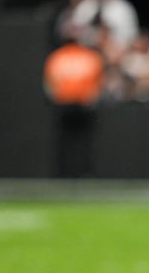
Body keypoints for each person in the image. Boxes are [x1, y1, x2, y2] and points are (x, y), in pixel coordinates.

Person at [43, 31, 104, 178]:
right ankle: (85, 172)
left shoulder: (57, 56)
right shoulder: (89, 56)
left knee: (65, 142)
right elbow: (98, 84)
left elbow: (49, 85)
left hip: (65, 104)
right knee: (85, 142)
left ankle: (64, 172)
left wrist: (58, 99)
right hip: (84, 105)